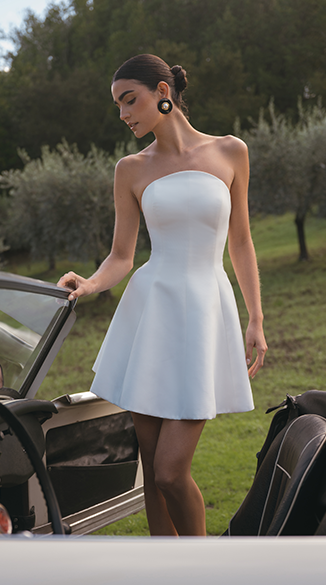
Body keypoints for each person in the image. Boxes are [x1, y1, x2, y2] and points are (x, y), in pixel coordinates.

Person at [58, 54, 267, 536]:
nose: (124, 113)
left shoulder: (231, 151)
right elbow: (121, 256)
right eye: (117, 105)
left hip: (204, 312)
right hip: (150, 313)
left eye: (130, 100)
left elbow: (241, 241)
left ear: (163, 92)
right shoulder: (130, 169)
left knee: (171, 472)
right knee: (153, 474)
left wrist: (255, 317)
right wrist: (89, 284)